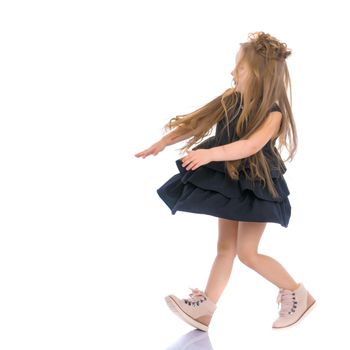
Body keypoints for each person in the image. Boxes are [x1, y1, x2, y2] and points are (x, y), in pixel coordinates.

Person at [134, 32, 316, 331]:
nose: (233, 72)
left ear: (260, 73)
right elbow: (198, 121)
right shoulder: (231, 99)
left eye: (240, 67)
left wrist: (209, 154)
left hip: (257, 184)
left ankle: (298, 294)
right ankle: (205, 309)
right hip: (231, 179)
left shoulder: (273, 113)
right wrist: (164, 141)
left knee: (248, 252)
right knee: (224, 248)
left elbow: (249, 147)